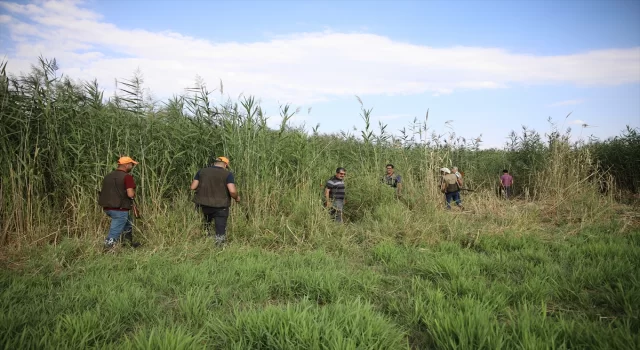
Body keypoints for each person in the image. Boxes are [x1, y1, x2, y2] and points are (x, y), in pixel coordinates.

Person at [190, 156, 240, 245]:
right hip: (220, 205)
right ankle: (219, 246)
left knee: (205, 224)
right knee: (220, 228)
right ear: (225, 165)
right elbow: (232, 191)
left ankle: (204, 242)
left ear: (214, 163)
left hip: (202, 204)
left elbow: (193, 187)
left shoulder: (201, 171)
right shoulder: (227, 174)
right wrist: (236, 198)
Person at [98, 156, 141, 249]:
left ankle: (127, 244)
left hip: (107, 207)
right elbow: (130, 194)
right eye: (131, 164)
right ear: (126, 165)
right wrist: (133, 193)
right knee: (115, 230)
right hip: (119, 208)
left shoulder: (108, 176)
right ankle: (107, 248)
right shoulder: (127, 177)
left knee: (128, 222)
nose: (132, 166)